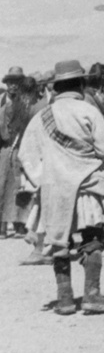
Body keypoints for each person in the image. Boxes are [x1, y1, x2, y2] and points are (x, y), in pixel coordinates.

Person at [16, 60, 104, 314]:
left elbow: (26, 155)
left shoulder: (42, 117)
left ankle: (64, 299)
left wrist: (43, 178)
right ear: (81, 83)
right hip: (86, 185)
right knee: (93, 237)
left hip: (53, 189)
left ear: (56, 86)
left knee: (58, 241)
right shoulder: (88, 110)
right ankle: (92, 295)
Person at [1, 67, 36, 237]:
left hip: (21, 147)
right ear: (6, 83)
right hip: (3, 148)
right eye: (10, 82)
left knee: (19, 185)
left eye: (17, 82)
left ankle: (19, 224)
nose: (13, 86)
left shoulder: (27, 103)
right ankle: (2, 224)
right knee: (2, 185)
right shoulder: (1, 101)